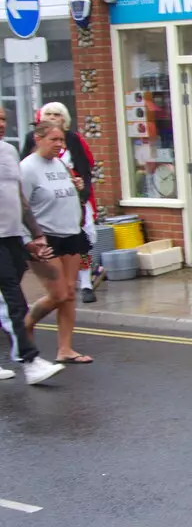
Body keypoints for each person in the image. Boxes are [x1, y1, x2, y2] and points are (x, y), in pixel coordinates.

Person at [0, 107, 65, 384]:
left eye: (3, 119)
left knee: (6, 302)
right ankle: (30, 362)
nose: (1, 124)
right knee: (14, 301)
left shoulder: (9, 152)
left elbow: (19, 197)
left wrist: (35, 234)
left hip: (12, 235)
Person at [21, 123, 94, 364]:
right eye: (54, 140)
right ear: (38, 138)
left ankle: (65, 349)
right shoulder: (28, 168)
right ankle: (25, 325)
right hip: (45, 238)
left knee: (70, 293)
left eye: (62, 141)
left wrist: (77, 187)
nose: (60, 145)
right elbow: (21, 207)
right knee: (58, 294)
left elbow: (66, 192)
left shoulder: (61, 164)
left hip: (70, 234)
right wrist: (29, 240)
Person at [26, 103, 99, 303]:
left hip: (73, 202)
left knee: (83, 243)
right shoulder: (30, 157)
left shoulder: (74, 140)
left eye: (56, 114)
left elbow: (85, 168)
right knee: (60, 294)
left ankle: (86, 283)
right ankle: (27, 321)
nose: (52, 117)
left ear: (64, 119)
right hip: (47, 217)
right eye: (48, 113)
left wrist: (81, 192)